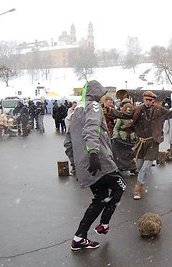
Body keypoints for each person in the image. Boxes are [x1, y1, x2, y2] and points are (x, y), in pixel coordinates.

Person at [64, 80, 127, 251]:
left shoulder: (75, 111)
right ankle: (104, 224)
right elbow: (91, 128)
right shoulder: (94, 107)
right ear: (96, 92)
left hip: (85, 166)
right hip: (99, 161)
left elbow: (68, 143)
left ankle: (79, 237)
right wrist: (92, 153)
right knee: (121, 185)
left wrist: (76, 165)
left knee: (99, 199)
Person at [105, 90, 172, 200]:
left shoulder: (159, 110)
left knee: (146, 167)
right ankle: (142, 180)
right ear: (143, 99)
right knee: (140, 166)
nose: (148, 102)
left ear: (153, 101)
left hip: (153, 142)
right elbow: (124, 114)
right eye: (146, 100)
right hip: (141, 142)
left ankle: (138, 188)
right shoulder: (137, 109)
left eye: (150, 100)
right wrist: (109, 111)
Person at [112, 102, 138, 175]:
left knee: (131, 154)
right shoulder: (120, 118)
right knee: (120, 154)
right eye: (127, 109)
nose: (129, 111)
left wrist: (136, 136)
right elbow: (116, 128)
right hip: (121, 139)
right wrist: (116, 136)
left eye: (130, 110)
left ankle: (132, 168)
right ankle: (121, 167)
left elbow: (136, 128)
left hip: (131, 139)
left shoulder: (133, 118)